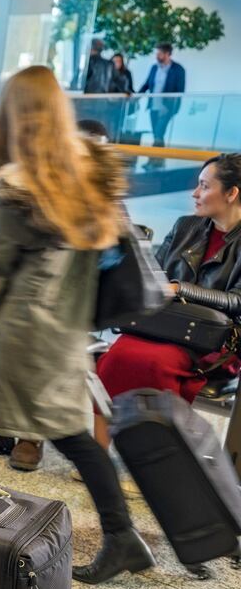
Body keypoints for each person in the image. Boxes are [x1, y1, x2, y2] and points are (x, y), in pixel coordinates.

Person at [0, 65, 154, 586]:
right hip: (61, 339)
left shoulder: (16, 189)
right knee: (75, 437)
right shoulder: (88, 179)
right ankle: (121, 535)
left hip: (12, 342)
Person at [93, 154, 241, 447]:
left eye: (204, 186)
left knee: (154, 363)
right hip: (165, 327)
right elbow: (153, 276)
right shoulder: (186, 227)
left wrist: (181, 289)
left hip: (214, 341)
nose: (195, 194)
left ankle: (151, 461)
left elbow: (237, 301)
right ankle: (100, 453)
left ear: (232, 193)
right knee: (116, 357)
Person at [138, 42, 187, 156]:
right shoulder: (154, 68)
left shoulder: (178, 69)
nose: (157, 56)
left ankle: (155, 158)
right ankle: (157, 160)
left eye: (159, 54)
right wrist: (136, 97)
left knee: (159, 132)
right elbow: (146, 84)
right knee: (156, 133)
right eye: (156, 53)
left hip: (167, 107)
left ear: (167, 54)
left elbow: (180, 90)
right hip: (153, 106)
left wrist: (169, 107)